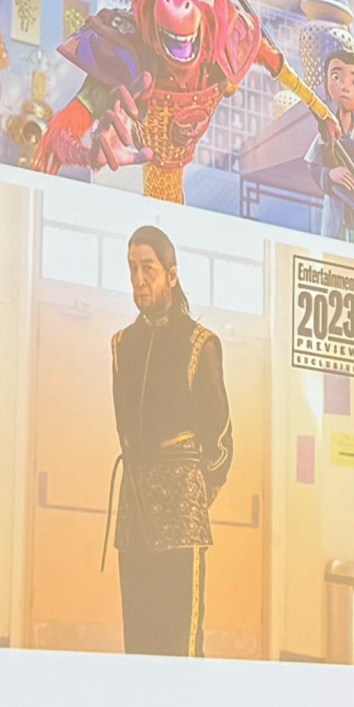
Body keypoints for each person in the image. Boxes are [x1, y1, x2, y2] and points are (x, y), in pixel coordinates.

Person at [106, 225, 233, 657]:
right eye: (132, 269)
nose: (139, 280)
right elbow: (124, 427)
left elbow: (219, 434)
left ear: (172, 275)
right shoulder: (122, 345)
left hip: (181, 508)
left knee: (180, 641)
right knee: (139, 639)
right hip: (135, 509)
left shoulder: (201, 344)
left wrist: (196, 492)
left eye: (149, 269)